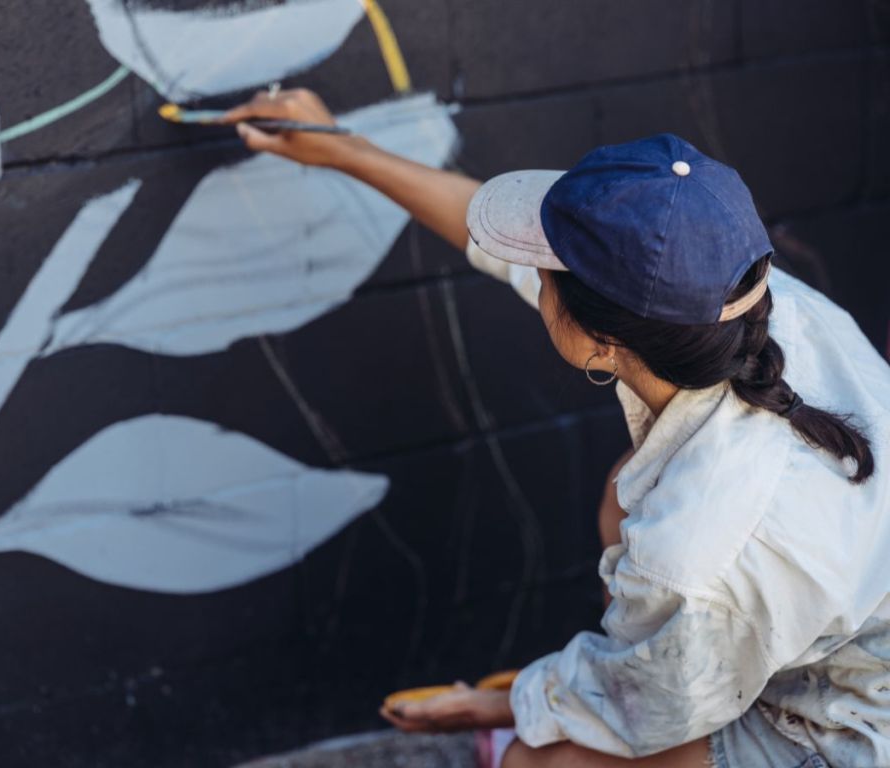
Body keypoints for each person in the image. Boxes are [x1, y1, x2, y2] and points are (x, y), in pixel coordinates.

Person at [221, 89, 890, 768]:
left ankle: (641, 660)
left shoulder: (697, 550)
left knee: (539, 763)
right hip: (822, 623)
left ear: (602, 341)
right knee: (621, 495)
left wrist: (529, 705)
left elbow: (655, 702)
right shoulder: (740, 304)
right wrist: (341, 149)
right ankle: (649, 650)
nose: (529, 269)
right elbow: (489, 238)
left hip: (850, 726)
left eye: (543, 268)